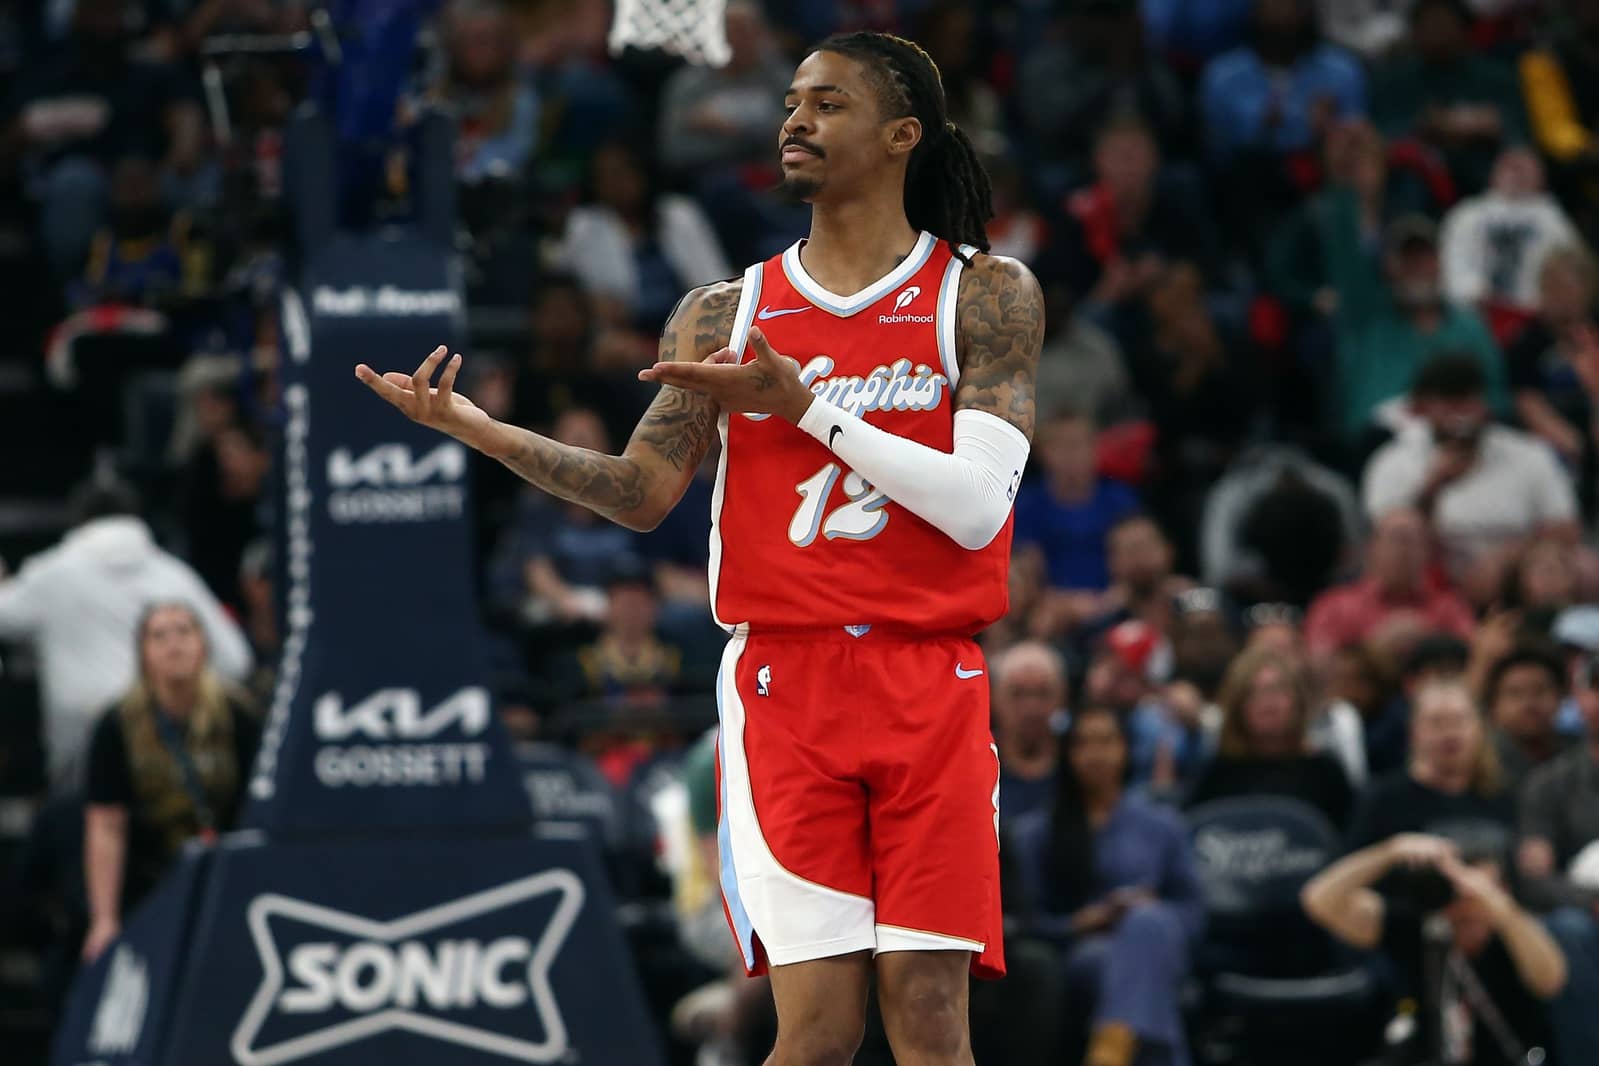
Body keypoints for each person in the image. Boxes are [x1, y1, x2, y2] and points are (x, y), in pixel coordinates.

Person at [357, 30, 1044, 1065]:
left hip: (928, 676)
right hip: (785, 684)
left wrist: (803, 407)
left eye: (828, 104)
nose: (795, 120)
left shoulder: (984, 293)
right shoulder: (723, 310)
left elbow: (979, 509)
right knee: (817, 1032)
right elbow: (640, 493)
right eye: (792, 102)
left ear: (903, 135)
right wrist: (485, 433)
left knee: (932, 1018)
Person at [0, 480, 252, 787]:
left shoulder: (52, 572)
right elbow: (235, 660)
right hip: (161, 735)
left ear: (79, 521)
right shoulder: (175, 575)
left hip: (83, 736)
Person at [1008, 705, 1204, 1066]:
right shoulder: (1037, 832)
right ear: (1067, 755)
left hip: (1159, 943)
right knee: (1124, 965)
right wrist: (1078, 923)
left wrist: (1147, 910)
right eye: (1083, 743)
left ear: (1126, 749)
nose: (1096, 754)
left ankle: (1111, 1050)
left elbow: (1192, 912)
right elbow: (1025, 921)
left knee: (1146, 921)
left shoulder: (1163, 825)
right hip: (1084, 950)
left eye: (1106, 741)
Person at [82, 602, 260, 961]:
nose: (173, 644)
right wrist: (104, 918)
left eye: (184, 632)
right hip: (150, 876)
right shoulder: (117, 724)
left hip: (224, 871)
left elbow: (258, 806)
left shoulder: (238, 713)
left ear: (203, 644)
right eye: (159, 636)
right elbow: (106, 825)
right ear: (143, 652)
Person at [1302, 834, 1566, 1066]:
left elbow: (1550, 981)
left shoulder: (1516, 932)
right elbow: (1318, 900)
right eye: (1454, 889)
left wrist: (1498, 906)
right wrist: (1390, 851)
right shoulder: (1422, 928)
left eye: (1475, 889)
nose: (1465, 903)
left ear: (1503, 890)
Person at [1363, 354, 1579, 592]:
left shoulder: (1527, 453)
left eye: (1467, 401)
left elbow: (1564, 529)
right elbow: (1389, 540)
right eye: (1449, 403)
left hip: (1516, 573)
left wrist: (1507, 558)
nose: (1460, 415)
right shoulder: (1394, 461)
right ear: (1424, 407)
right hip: (1429, 573)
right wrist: (1433, 488)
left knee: (1581, 567)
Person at [1518, 648, 1599, 1066]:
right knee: (1566, 928)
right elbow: (1534, 879)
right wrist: (1591, 902)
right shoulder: (1549, 784)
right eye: (1597, 687)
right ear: (1578, 698)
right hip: (1586, 922)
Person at [1185, 646, 1356, 829]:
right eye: (1252, 693)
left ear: (1298, 701)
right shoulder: (1217, 774)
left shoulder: (1325, 772)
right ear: (1237, 705)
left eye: (1277, 690)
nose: (1267, 702)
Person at [1348, 676, 1517, 860]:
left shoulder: (1503, 795)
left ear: (1479, 728)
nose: (1450, 733)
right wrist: (1390, 851)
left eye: (1459, 721)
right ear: (1414, 731)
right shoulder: (1384, 800)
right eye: (1436, 722)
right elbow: (1344, 870)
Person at [1305, 506, 1476, 661]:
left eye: (1413, 540)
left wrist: (1429, 643)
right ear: (1372, 547)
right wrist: (1374, 646)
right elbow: (1319, 665)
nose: (1404, 550)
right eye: (1397, 538)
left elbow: (1472, 657)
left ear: (1428, 552)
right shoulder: (1334, 607)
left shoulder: (1449, 607)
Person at [1439, 148, 1578, 334]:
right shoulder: (1467, 214)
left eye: (1524, 168)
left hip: (1533, 319)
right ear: (1493, 173)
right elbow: (1452, 261)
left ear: (1541, 177)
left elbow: (1569, 271)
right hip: (1472, 314)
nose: (1516, 174)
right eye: (1510, 166)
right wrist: (1471, 292)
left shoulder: (1555, 221)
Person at [1012, 408, 1140, 595]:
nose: (1071, 454)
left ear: (1095, 448)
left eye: (1078, 444)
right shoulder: (1026, 505)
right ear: (1042, 452)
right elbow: (1026, 569)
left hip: (1115, 598)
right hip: (1049, 603)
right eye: (1061, 445)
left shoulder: (1120, 499)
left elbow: (1137, 559)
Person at [991, 641, 1068, 826]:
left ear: (1062, 698)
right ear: (995, 699)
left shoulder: (1079, 770)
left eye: (1043, 694)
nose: (1031, 708)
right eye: (1017, 694)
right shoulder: (976, 770)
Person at [1485, 642, 1572, 790]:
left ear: (1561, 697)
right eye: (1515, 693)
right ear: (1494, 705)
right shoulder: (1481, 763)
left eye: (1540, 691)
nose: (1529, 704)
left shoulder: (1580, 755)